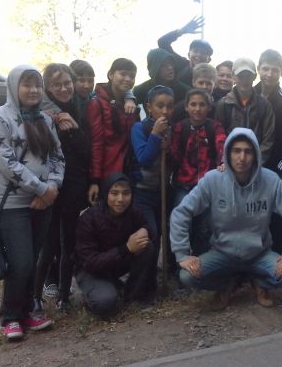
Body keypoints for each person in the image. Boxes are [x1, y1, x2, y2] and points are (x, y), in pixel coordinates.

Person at [170, 128, 282, 309]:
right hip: (222, 253)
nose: (242, 158)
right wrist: (182, 254)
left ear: (256, 155)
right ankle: (226, 285)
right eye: (236, 151)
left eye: (248, 152)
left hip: (258, 254)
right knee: (187, 276)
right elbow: (181, 213)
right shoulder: (213, 180)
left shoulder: (270, 181)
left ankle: (259, 281)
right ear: (228, 154)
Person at [0, 65, 65, 340]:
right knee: (20, 261)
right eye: (27, 84)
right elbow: (6, 163)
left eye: (38, 85)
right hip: (11, 203)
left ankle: (28, 311)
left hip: (43, 200)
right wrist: (42, 188)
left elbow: (57, 157)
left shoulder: (45, 119)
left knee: (33, 259)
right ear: (13, 86)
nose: (33, 90)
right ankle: (10, 316)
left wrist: (52, 186)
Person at [34, 64, 91, 312]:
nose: (64, 88)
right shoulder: (38, 112)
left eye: (67, 83)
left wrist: (74, 128)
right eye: (57, 85)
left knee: (69, 243)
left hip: (73, 186)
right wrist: (51, 120)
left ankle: (64, 296)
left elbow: (87, 151)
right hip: (48, 187)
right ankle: (35, 297)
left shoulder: (80, 108)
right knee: (48, 245)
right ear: (47, 87)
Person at [75, 173, 157, 317]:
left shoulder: (133, 212)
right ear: (105, 193)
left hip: (116, 264)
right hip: (91, 271)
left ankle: (132, 296)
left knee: (146, 246)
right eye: (114, 193)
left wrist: (145, 230)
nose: (120, 199)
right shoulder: (89, 219)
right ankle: (94, 294)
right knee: (105, 303)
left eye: (126, 193)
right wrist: (126, 249)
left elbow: (147, 227)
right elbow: (90, 262)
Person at [254, 49, 282, 255]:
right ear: (258, 69)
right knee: (250, 217)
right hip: (249, 168)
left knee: (275, 219)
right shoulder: (249, 95)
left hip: (277, 171)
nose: (269, 74)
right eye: (265, 69)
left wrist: (280, 171)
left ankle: (274, 262)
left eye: (274, 70)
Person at [170, 89, 226, 255]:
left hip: (207, 187)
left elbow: (222, 144)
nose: (197, 109)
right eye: (193, 104)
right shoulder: (180, 128)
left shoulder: (214, 127)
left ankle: (202, 260)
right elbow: (174, 157)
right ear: (186, 107)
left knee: (205, 227)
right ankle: (178, 260)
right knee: (180, 220)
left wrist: (224, 162)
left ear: (209, 107)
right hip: (183, 184)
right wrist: (166, 150)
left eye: (202, 104)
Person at [130, 85, 175, 280]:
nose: (165, 111)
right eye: (160, 106)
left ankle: (166, 273)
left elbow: (174, 162)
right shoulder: (139, 128)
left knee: (166, 230)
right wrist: (155, 135)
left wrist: (169, 150)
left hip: (163, 191)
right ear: (149, 107)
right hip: (142, 193)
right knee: (151, 234)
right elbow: (144, 158)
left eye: (169, 106)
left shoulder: (171, 129)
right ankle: (144, 281)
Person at [86, 58, 140, 205]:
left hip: (128, 168)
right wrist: (95, 180)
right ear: (111, 75)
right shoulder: (97, 103)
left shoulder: (130, 103)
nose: (127, 79)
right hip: (108, 170)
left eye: (132, 76)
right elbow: (97, 143)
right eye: (123, 74)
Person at [215, 57, 275, 164]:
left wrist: (256, 161)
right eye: (240, 75)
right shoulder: (223, 104)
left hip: (256, 163)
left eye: (248, 75)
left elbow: (268, 139)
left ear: (255, 76)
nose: (244, 80)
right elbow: (219, 135)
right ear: (233, 76)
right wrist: (226, 160)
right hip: (230, 162)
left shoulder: (264, 105)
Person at [157, 16, 213, 87]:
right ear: (189, 55)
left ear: (209, 59)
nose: (199, 54)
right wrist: (182, 31)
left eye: (203, 52)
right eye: (195, 51)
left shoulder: (213, 75)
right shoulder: (181, 64)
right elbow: (162, 42)